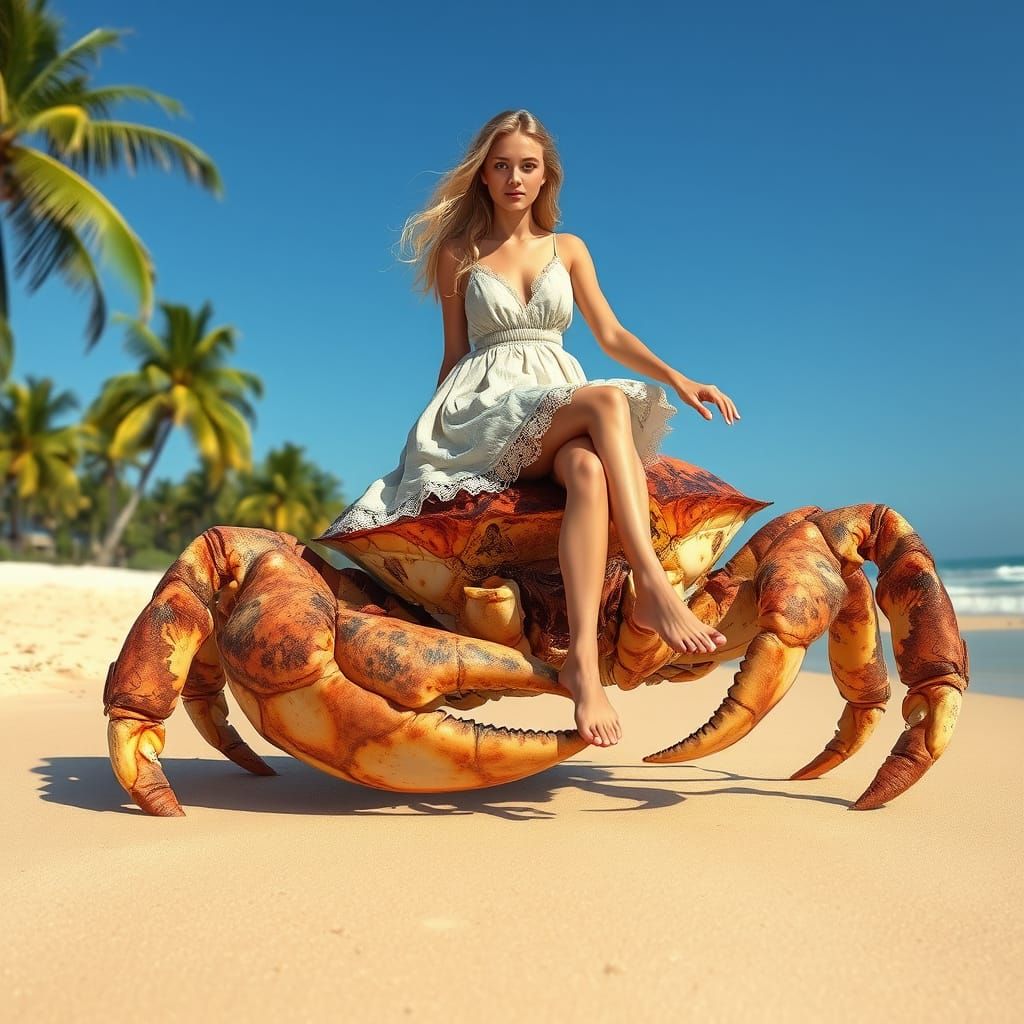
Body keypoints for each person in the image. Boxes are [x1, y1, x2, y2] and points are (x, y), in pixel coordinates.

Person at [320, 109, 740, 748]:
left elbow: (610, 333)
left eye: (528, 166)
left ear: (546, 177)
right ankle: (653, 585)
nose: (514, 177)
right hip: (486, 406)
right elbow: (453, 352)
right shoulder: (458, 254)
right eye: (501, 165)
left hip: (555, 396)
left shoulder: (567, 249)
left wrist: (679, 377)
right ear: (483, 176)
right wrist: (426, 446)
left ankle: (584, 669)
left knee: (588, 469)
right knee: (605, 405)